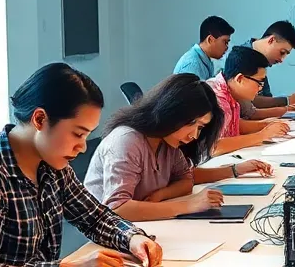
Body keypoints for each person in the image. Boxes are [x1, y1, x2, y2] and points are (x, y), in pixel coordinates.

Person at [0, 63, 163, 267]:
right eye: (77, 133)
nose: (82, 147)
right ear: (40, 119)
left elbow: (94, 217)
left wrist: (132, 238)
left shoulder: (53, 165)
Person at [86, 73, 275, 221]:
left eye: (200, 127)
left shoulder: (168, 141)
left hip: (141, 226)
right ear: (170, 111)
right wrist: (188, 205)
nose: (194, 135)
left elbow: (186, 179)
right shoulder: (127, 140)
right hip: (107, 236)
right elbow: (117, 208)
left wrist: (162, 194)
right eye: (191, 123)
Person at [209, 46, 290, 155]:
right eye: (259, 82)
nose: (260, 88)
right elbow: (214, 147)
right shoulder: (217, 98)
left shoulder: (230, 91)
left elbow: (233, 124)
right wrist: (262, 135)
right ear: (240, 79)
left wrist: (266, 124)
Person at [239, 21, 295, 120]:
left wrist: (288, 103)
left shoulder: (259, 58)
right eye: (282, 52)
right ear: (271, 40)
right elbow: (248, 102)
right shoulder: (241, 58)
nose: (281, 60)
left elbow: (266, 97)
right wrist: (287, 100)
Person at [173, 16, 234, 81]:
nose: (226, 47)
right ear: (210, 40)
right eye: (225, 42)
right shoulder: (192, 65)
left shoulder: (204, 60)